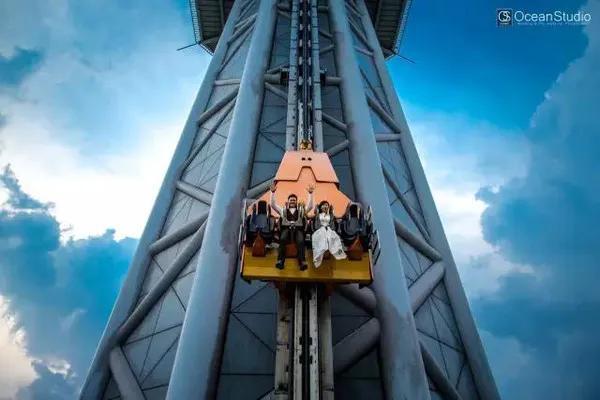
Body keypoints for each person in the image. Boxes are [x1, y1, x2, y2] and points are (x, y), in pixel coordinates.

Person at [270, 183, 314, 270]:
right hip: (286, 229)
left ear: (296, 202)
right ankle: (280, 261)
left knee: (301, 241)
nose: (292, 201)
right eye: (291, 200)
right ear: (288, 201)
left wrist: (310, 194)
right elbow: (273, 205)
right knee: (282, 239)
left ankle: (302, 262)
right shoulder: (283, 210)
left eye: (294, 200)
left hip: (298, 230)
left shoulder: (301, 210)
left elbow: (310, 206)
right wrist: (272, 192)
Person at [310, 200, 347, 268]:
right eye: (324, 205)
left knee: (334, 237)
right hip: (319, 231)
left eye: (327, 205)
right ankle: (319, 255)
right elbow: (316, 226)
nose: (325, 206)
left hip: (329, 230)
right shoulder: (318, 215)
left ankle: (337, 252)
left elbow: (333, 225)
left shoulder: (331, 216)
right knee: (321, 236)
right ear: (320, 207)